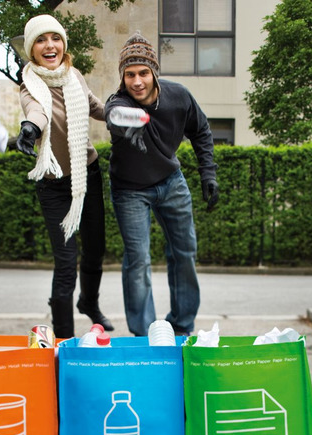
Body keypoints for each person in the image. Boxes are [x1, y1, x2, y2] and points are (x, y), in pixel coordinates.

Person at [105, 31, 219, 337]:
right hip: (129, 190)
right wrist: (122, 122)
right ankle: (144, 336)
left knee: (184, 251)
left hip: (171, 181)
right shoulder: (119, 102)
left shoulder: (178, 97)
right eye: (129, 75)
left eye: (143, 73)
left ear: (154, 73)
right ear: (123, 77)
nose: (137, 81)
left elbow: (202, 130)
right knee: (138, 260)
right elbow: (112, 114)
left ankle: (181, 326)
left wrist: (208, 173)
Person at [16, 14, 113, 337]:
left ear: (63, 44)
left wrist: (123, 112)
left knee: (95, 250)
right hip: (54, 185)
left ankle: (89, 302)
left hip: (88, 173)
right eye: (41, 40)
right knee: (66, 262)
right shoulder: (29, 84)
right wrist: (29, 129)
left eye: (54, 38)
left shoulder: (75, 77)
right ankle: (62, 339)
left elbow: (95, 106)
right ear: (32, 50)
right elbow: (37, 112)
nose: (49, 45)